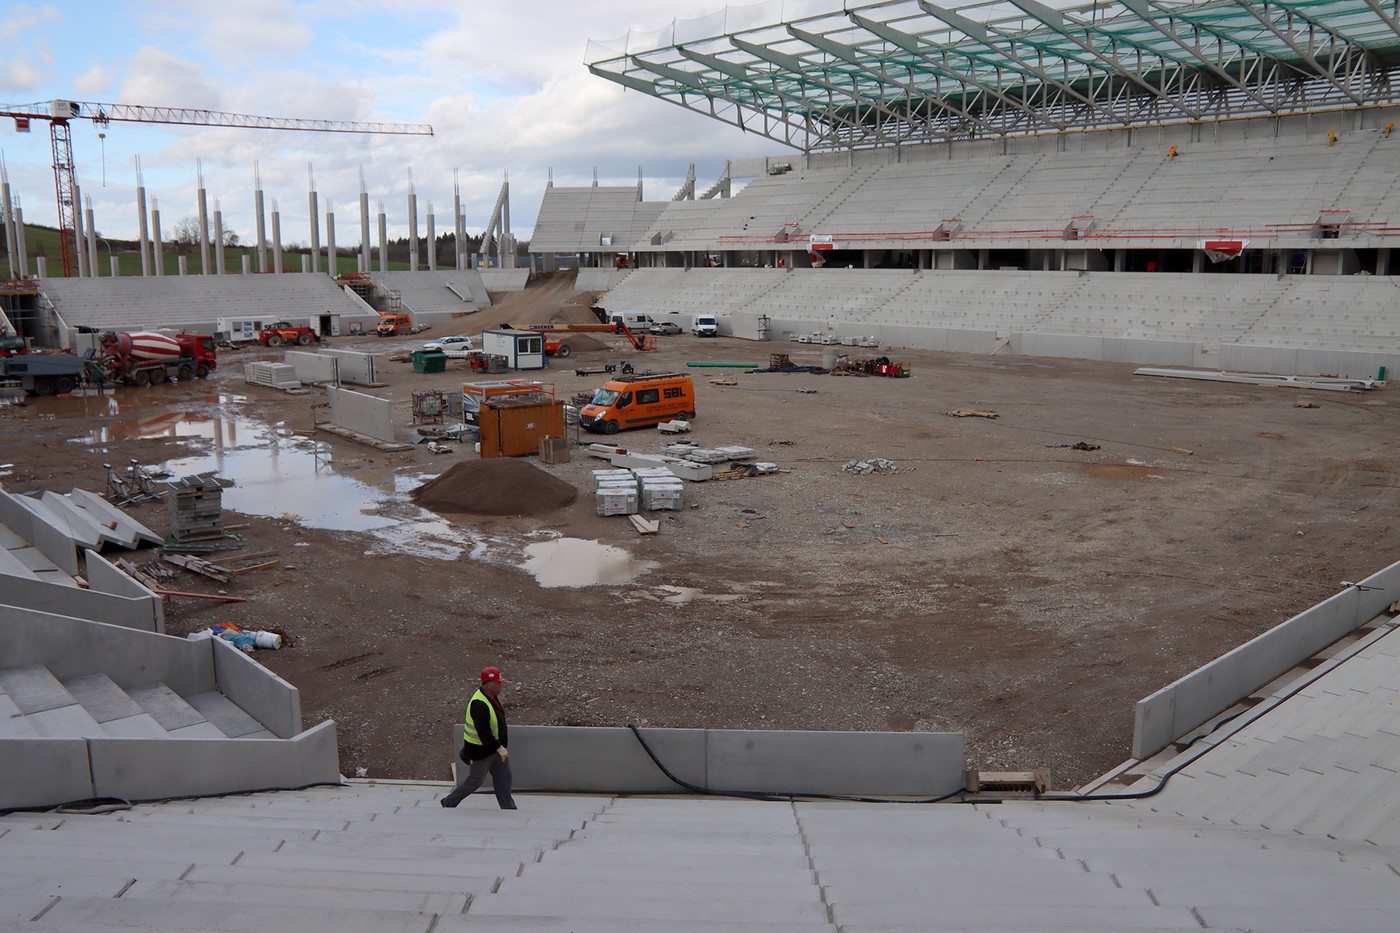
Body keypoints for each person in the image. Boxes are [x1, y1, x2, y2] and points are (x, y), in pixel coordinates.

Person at [440, 666, 517, 809]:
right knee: (475, 781)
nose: (501, 685)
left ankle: (508, 808)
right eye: (498, 682)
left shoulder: (491, 697)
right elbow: (484, 733)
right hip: (481, 752)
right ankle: (449, 802)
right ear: (489, 685)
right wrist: (499, 747)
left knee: (504, 778)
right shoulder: (479, 704)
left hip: (495, 750)